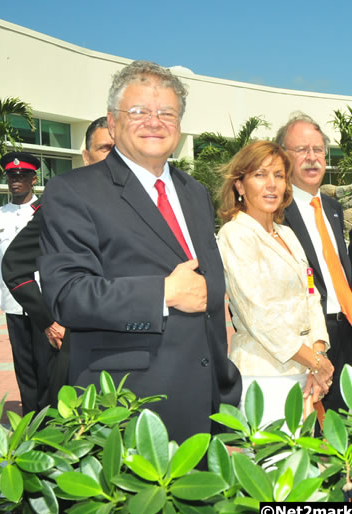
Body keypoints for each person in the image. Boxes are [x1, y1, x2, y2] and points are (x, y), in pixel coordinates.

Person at [39, 60, 241, 442]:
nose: (154, 121)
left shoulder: (194, 192)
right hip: (127, 405)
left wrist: (223, 387)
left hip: (204, 399)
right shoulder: (73, 191)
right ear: (113, 123)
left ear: (179, 126)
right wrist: (163, 293)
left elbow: (208, 298)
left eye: (167, 112)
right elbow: (67, 294)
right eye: (139, 112)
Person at [216, 140, 334, 426]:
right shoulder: (236, 235)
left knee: (301, 467)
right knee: (270, 468)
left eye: (279, 175)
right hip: (264, 376)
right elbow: (257, 315)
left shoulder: (286, 234)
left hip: (302, 371)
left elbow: (311, 295)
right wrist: (316, 363)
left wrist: (317, 354)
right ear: (240, 186)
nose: (271, 185)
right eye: (260, 175)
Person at [2, 117, 114, 409]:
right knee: (42, 383)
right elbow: (13, 264)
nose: (16, 180)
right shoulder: (62, 201)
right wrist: (48, 320)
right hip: (49, 316)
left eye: (119, 148)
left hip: (126, 334)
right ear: (86, 156)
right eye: (104, 148)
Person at [276, 113, 352, 412]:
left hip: (347, 331)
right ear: (282, 157)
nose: (312, 158)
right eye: (301, 150)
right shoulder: (276, 211)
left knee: (350, 424)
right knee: (309, 431)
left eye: (318, 150)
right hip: (308, 340)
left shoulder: (332, 207)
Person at [0, 151, 52, 414]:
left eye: (22, 176)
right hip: (12, 304)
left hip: (43, 302)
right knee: (24, 367)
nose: (15, 180)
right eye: (11, 175)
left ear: (33, 179)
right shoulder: (0, 215)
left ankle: (49, 418)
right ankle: (31, 421)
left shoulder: (47, 211)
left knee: (46, 365)